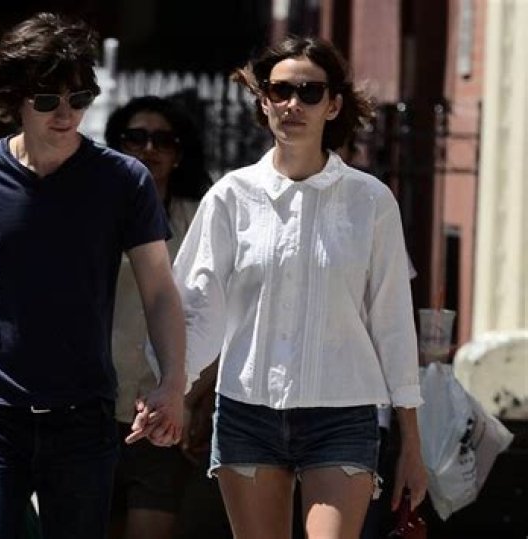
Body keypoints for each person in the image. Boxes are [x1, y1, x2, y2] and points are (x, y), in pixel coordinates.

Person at [0, 12, 186, 539]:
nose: (66, 114)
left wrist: (172, 382)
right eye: (48, 100)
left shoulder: (123, 182)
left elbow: (160, 292)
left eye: (79, 98)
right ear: (15, 100)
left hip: (82, 415)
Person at [171, 34, 428, 539]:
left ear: (333, 105)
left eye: (310, 92)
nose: (293, 104)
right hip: (247, 412)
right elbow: (198, 308)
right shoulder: (230, 197)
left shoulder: (371, 201)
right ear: (264, 101)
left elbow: (393, 324)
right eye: (280, 90)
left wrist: (412, 446)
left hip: (343, 414)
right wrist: (171, 389)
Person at [103, 95, 218, 539]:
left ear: (179, 153)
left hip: (164, 410)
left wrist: (192, 398)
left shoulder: (200, 220)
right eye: (136, 138)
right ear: (117, 146)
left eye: (163, 140)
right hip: (93, 406)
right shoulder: (92, 215)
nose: (149, 149)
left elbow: (221, 315)